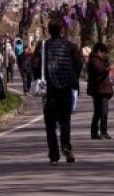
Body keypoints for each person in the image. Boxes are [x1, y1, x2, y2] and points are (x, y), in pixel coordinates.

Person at [34, 17, 83, 166]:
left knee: (50, 124)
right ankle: (66, 147)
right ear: (62, 30)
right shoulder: (71, 47)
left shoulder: (42, 47)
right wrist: (72, 76)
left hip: (49, 91)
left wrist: (39, 78)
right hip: (66, 88)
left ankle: (54, 155)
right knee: (65, 120)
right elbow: (79, 64)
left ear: (49, 31)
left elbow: (35, 66)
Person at [87, 41, 114, 139]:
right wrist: (108, 69)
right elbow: (99, 69)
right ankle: (103, 132)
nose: (104, 55)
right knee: (103, 111)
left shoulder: (96, 59)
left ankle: (95, 132)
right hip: (100, 90)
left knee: (98, 111)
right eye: (103, 53)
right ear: (99, 51)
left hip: (100, 89)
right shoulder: (95, 60)